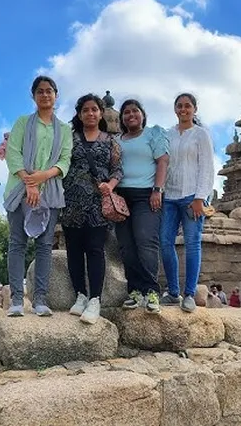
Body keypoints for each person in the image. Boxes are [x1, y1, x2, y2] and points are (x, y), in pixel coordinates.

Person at [1, 75, 73, 317]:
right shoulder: (23, 123)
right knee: (17, 243)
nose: (45, 95)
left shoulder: (63, 129)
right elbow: (13, 154)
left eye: (49, 91)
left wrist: (42, 177)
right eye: (40, 91)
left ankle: (40, 298)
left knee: (44, 246)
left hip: (50, 190)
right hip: (20, 189)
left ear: (56, 95)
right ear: (33, 96)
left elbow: (65, 161)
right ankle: (17, 300)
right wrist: (29, 182)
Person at [63, 94, 123, 325]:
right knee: (74, 250)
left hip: (98, 202)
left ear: (101, 113)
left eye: (94, 109)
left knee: (96, 249)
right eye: (85, 110)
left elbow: (117, 170)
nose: (90, 113)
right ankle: (80, 294)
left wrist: (110, 185)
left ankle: (95, 299)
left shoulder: (110, 141)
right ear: (79, 114)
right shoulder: (70, 139)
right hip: (72, 201)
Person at [160, 93, 215, 313]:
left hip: (193, 195)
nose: (183, 110)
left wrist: (200, 198)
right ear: (175, 109)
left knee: (193, 244)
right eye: (180, 106)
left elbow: (207, 168)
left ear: (194, 109)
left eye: (188, 106)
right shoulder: (167, 134)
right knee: (165, 242)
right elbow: (162, 164)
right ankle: (174, 292)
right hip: (170, 197)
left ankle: (189, 293)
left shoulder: (201, 135)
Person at [115, 99, 169, 314]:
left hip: (147, 195)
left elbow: (163, 161)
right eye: (126, 112)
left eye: (135, 111)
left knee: (146, 241)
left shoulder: (153, 133)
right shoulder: (116, 140)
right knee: (126, 246)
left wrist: (158, 189)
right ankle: (135, 290)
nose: (131, 115)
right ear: (122, 118)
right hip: (121, 197)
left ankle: (151, 290)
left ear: (142, 114)